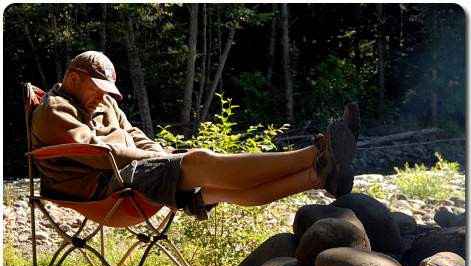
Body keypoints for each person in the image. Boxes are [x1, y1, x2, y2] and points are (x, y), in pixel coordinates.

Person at [31, 51, 359, 221]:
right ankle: (317, 150)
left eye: (108, 92)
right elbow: (102, 155)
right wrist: (160, 158)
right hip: (104, 187)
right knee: (200, 160)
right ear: (74, 78)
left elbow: (132, 132)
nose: (103, 97)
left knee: (217, 189)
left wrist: (157, 148)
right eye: (98, 89)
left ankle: (318, 176)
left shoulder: (101, 103)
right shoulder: (54, 110)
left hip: (131, 175)